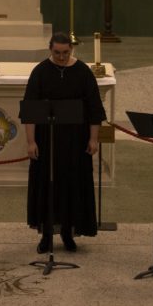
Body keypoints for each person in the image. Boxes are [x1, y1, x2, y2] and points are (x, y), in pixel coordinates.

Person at [23, 32, 106, 253]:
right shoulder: (40, 72)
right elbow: (30, 111)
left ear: (72, 50)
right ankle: (47, 235)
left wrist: (93, 138)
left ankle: (69, 233)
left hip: (75, 141)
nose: (61, 57)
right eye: (57, 53)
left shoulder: (83, 72)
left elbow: (94, 110)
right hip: (46, 141)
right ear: (50, 49)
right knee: (47, 186)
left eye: (65, 53)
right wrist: (31, 142)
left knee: (73, 186)